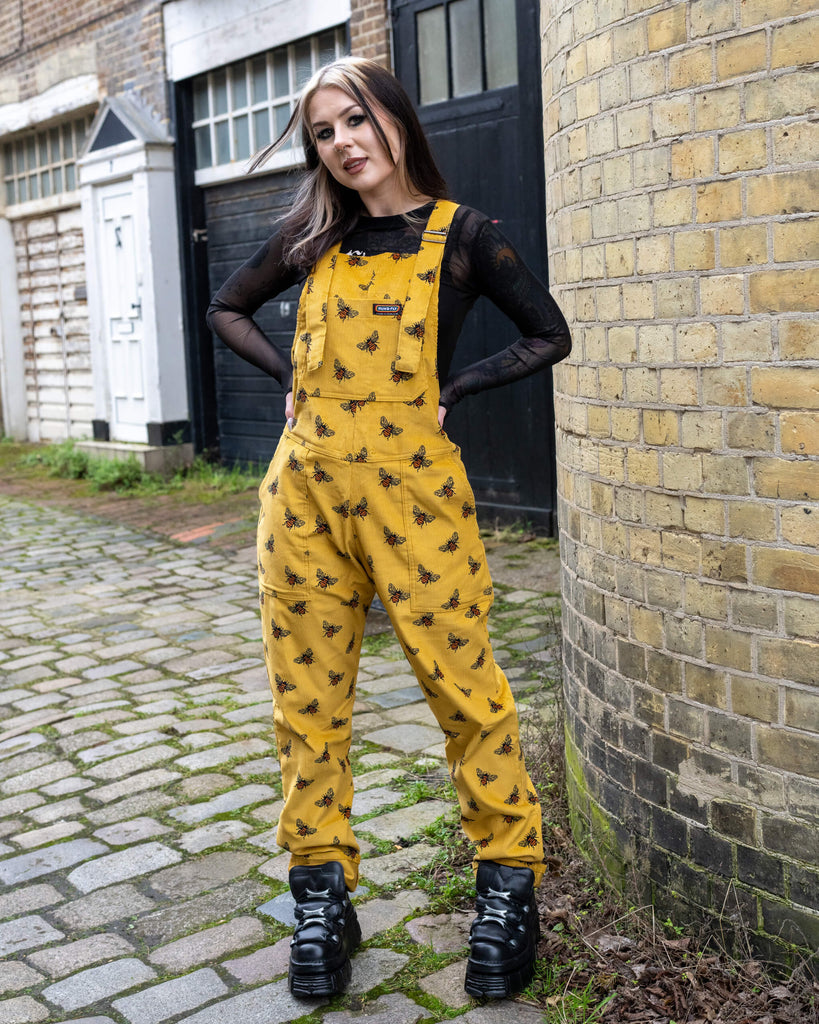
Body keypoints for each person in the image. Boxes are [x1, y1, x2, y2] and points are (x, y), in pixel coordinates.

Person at [206, 56, 571, 1001]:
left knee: (467, 692)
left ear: (395, 120)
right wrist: (289, 381)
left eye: (355, 120)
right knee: (308, 707)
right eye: (324, 133)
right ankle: (321, 892)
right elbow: (226, 307)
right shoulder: (310, 235)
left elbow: (548, 332)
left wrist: (458, 387)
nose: (343, 143)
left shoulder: (465, 237)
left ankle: (507, 885)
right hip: (305, 503)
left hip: (417, 500)